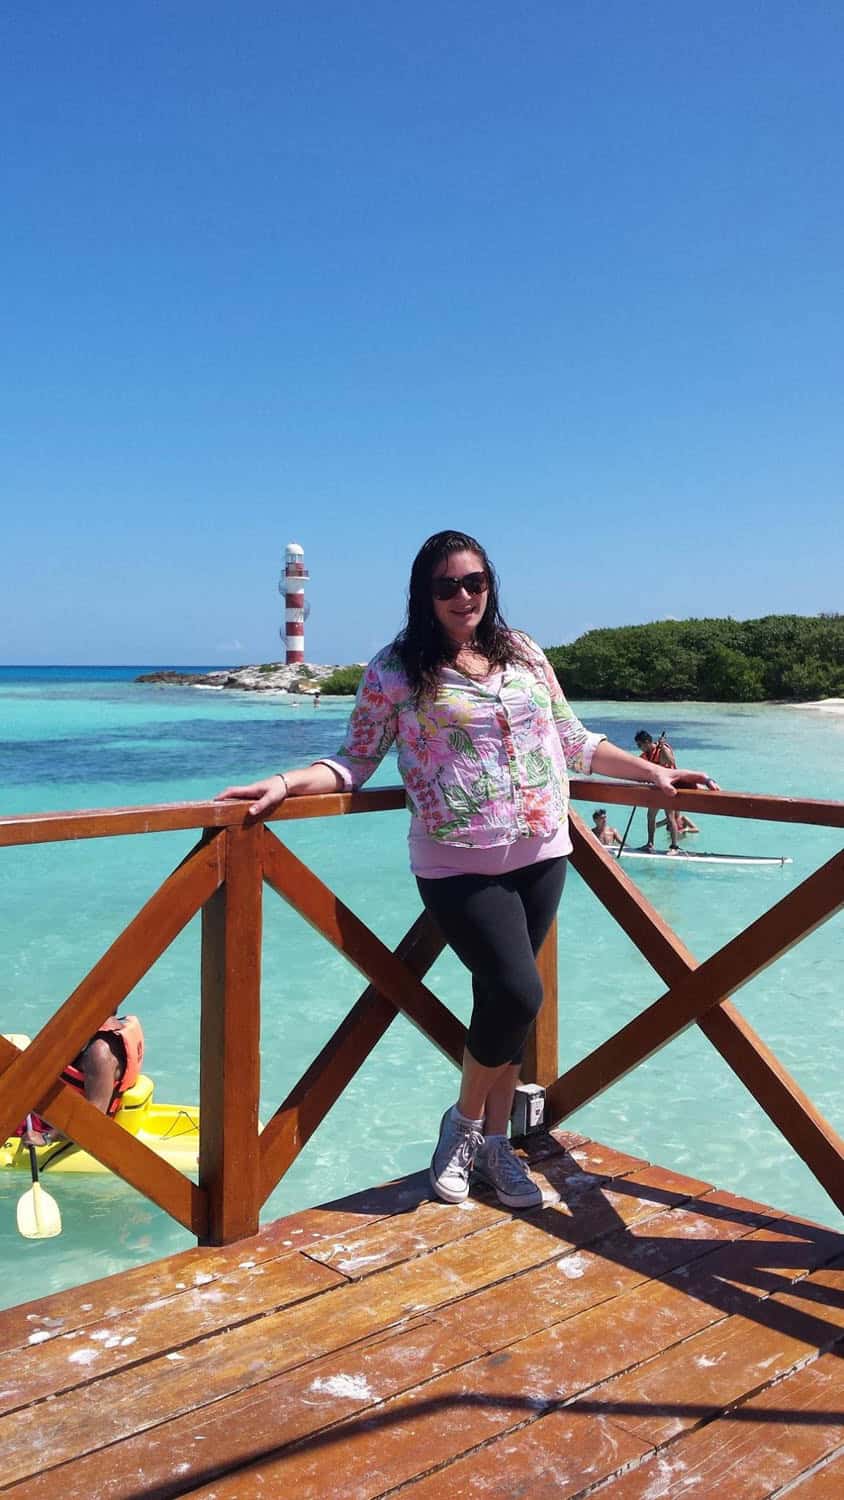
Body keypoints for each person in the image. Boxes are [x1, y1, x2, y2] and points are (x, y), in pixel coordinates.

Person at [217, 531, 717, 1211]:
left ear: (490, 585)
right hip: (456, 864)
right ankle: (464, 1125)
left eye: (475, 582)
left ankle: (494, 1148)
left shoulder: (523, 652)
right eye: (447, 585)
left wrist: (651, 773)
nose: (463, 596)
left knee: (501, 1006)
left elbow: (573, 740)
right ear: (424, 593)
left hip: (543, 852)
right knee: (518, 992)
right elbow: (354, 761)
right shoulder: (394, 669)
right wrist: (283, 782)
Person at [20, 1014, 145, 1147]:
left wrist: (46, 1137)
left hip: (54, 1122)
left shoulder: (100, 1053)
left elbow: (93, 1116)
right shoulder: (116, 1025)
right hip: (50, 1105)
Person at [634, 730, 684, 853]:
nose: (639, 748)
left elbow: (671, 762)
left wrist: (662, 748)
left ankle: (674, 847)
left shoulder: (663, 749)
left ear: (647, 742)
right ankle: (650, 844)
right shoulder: (644, 756)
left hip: (668, 787)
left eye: (639, 745)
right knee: (650, 816)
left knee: (670, 816)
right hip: (656, 789)